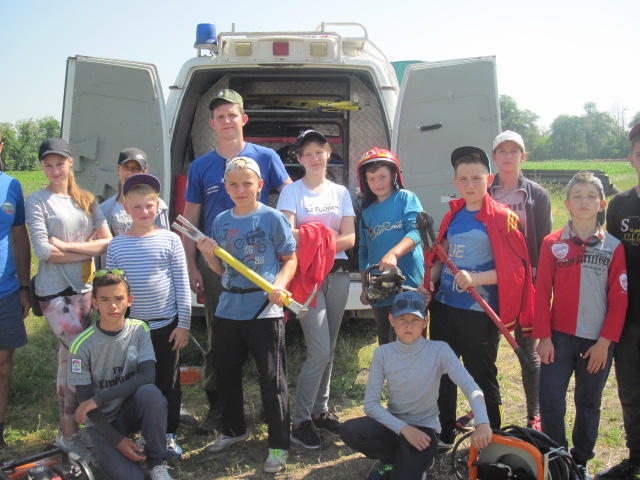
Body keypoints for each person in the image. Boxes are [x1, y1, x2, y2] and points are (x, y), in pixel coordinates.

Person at [182, 89, 291, 435]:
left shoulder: (266, 156)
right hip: (219, 265)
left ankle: (272, 409)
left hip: (261, 266)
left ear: (243, 119)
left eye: (232, 114)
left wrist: (286, 234)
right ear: (212, 123)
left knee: (266, 342)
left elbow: (291, 197)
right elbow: (190, 218)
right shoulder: (200, 166)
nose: (227, 121)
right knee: (220, 339)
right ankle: (221, 409)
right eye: (220, 116)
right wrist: (192, 264)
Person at [421, 146, 535, 450]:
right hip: (445, 308)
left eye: (476, 178)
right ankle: (445, 433)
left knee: (481, 376)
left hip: (479, 313)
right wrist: (429, 282)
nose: (470, 184)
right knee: (443, 373)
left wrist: (477, 278)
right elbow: (442, 258)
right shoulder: (453, 215)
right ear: (455, 182)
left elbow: (516, 271)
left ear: (489, 179)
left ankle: (493, 437)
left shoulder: (502, 218)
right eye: (463, 179)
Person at [196, 157, 296, 474]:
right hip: (229, 308)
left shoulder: (272, 218)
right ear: (226, 188)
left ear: (260, 185)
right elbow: (221, 269)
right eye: (234, 184)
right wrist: (208, 255)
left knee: (272, 380)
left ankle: (279, 445)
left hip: (264, 309)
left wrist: (280, 286)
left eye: (247, 183)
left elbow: (290, 259)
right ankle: (234, 429)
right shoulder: (221, 221)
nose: (241, 189)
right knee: (226, 373)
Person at [530, 172, 627, 480]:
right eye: (578, 196)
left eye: (591, 196)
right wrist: (544, 337)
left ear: (602, 204)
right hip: (558, 339)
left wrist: (605, 343)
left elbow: (620, 300)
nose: (584, 201)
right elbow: (541, 293)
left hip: (596, 343)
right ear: (567, 203)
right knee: (550, 400)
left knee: (588, 402)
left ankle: (581, 460)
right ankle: (556, 460)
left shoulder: (614, 247)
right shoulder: (551, 243)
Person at [340, 291, 493, 480]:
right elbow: (370, 405)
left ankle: (414, 460)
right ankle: (392, 459)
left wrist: (483, 422)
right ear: (391, 320)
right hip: (395, 424)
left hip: (424, 430)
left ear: (425, 321)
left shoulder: (439, 350)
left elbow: (471, 387)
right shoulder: (383, 353)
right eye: (402, 319)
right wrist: (404, 429)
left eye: (415, 319)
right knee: (349, 430)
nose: (409, 325)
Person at [456, 131, 551, 433]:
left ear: (523, 156)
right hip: (487, 282)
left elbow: (544, 243)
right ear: (494, 157)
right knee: (485, 353)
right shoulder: (484, 188)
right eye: (502, 151)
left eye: (514, 151)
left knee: (527, 350)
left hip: (523, 283)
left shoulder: (537, 195)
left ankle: (535, 413)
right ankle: (482, 407)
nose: (508, 156)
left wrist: (539, 285)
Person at [26, 137, 112, 465]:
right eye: (48, 164)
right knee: (81, 355)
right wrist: (84, 250)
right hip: (54, 294)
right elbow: (43, 251)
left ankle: (68, 431)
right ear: (42, 167)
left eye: (59, 163)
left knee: (69, 364)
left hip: (84, 292)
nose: (54, 170)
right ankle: (74, 431)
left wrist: (65, 247)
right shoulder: (37, 201)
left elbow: (107, 242)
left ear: (70, 163)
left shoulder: (87, 200)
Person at [277, 130, 356, 448]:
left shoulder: (341, 192)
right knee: (319, 349)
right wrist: (324, 237)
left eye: (319, 151)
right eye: (307, 153)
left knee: (329, 348)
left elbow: (350, 238)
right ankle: (300, 421)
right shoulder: (291, 192)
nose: (314, 157)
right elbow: (287, 235)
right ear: (299, 159)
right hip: (306, 278)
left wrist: (312, 237)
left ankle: (320, 411)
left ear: (328, 154)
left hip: (337, 274)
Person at [105, 174, 191, 458]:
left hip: (166, 326)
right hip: (132, 330)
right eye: (137, 207)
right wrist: (114, 327)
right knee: (139, 382)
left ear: (158, 206)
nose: (144, 212)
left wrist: (184, 324)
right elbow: (113, 290)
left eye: (149, 205)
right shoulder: (117, 245)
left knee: (169, 381)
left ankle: (169, 433)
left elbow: (181, 284)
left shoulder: (171, 240)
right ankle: (144, 430)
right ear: (126, 209)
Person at [69, 270, 174, 480]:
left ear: (129, 301)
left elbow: (147, 376)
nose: (113, 306)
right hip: (102, 421)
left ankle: (156, 463)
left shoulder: (139, 329)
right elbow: (86, 402)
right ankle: (105, 453)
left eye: (119, 299)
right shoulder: (80, 345)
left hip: (129, 410)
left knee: (151, 394)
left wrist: (99, 398)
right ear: (94, 303)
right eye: (105, 300)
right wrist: (118, 441)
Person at [596, 123, 640, 480]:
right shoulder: (620, 205)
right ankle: (636, 456)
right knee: (631, 391)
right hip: (630, 319)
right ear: (631, 159)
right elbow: (611, 261)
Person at [356, 148, 424, 345]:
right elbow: (363, 252)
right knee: (386, 346)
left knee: (409, 346)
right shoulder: (367, 213)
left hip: (408, 288)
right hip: (380, 292)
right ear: (365, 181)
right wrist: (365, 287)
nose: (378, 183)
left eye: (382, 176)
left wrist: (394, 253)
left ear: (394, 175)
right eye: (371, 178)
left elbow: (416, 232)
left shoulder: (406, 198)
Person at [0, 134, 31, 447]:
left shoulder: (11, 186)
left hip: (5, 290)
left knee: (3, 363)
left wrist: (24, 285)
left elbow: (20, 236)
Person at [99, 147, 169, 236]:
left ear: (144, 173)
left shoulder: (158, 206)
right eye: (126, 167)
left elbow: (165, 238)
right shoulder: (105, 209)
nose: (130, 172)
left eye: (136, 168)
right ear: (118, 170)